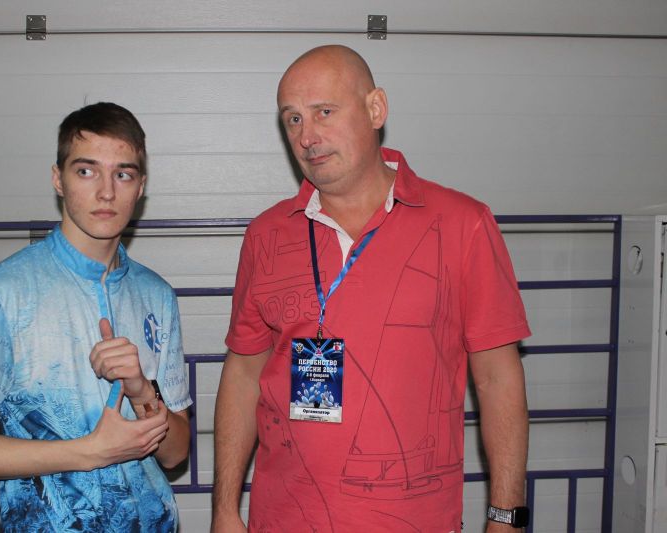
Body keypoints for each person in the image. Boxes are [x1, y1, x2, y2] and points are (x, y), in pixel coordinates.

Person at [212, 45, 531, 532]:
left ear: (375, 109)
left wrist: (505, 517)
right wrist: (224, 509)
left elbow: (498, 380)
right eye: (293, 119)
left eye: (323, 111)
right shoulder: (266, 235)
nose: (307, 136)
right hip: (282, 520)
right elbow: (243, 373)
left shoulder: (463, 224)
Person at [0, 102, 192, 532]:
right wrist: (90, 451)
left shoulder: (156, 294)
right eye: (86, 171)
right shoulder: (2, 292)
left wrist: (142, 390)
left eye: (123, 174)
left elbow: (175, 453)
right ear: (58, 179)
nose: (106, 192)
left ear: (140, 186)